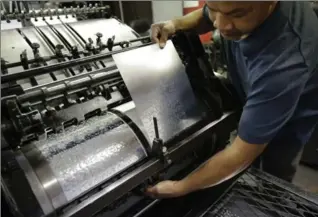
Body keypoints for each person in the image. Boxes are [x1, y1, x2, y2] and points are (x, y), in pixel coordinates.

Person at [147, 1, 318, 198]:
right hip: (256, 88)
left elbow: (241, 154)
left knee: (274, 178)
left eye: (237, 14)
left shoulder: (285, 62)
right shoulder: (234, 7)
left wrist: (180, 187)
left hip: (289, 118)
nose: (220, 25)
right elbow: (205, 15)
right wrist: (175, 24)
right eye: (215, 10)